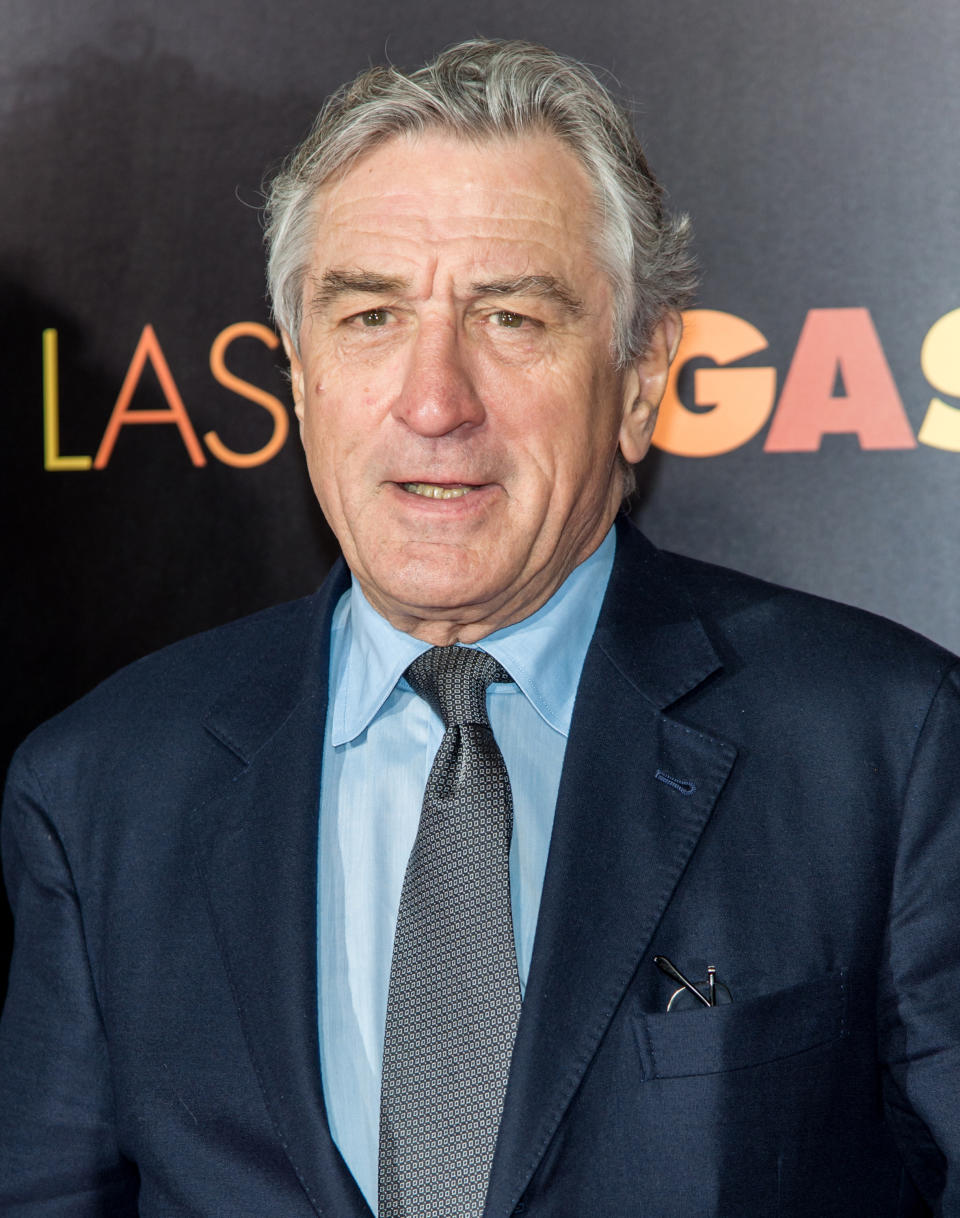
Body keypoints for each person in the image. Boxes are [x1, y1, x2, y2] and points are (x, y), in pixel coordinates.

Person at [1, 37, 958, 1218]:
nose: (435, 400)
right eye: (369, 318)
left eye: (510, 318)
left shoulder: (885, 749)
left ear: (644, 376)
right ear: (297, 377)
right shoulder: (100, 789)